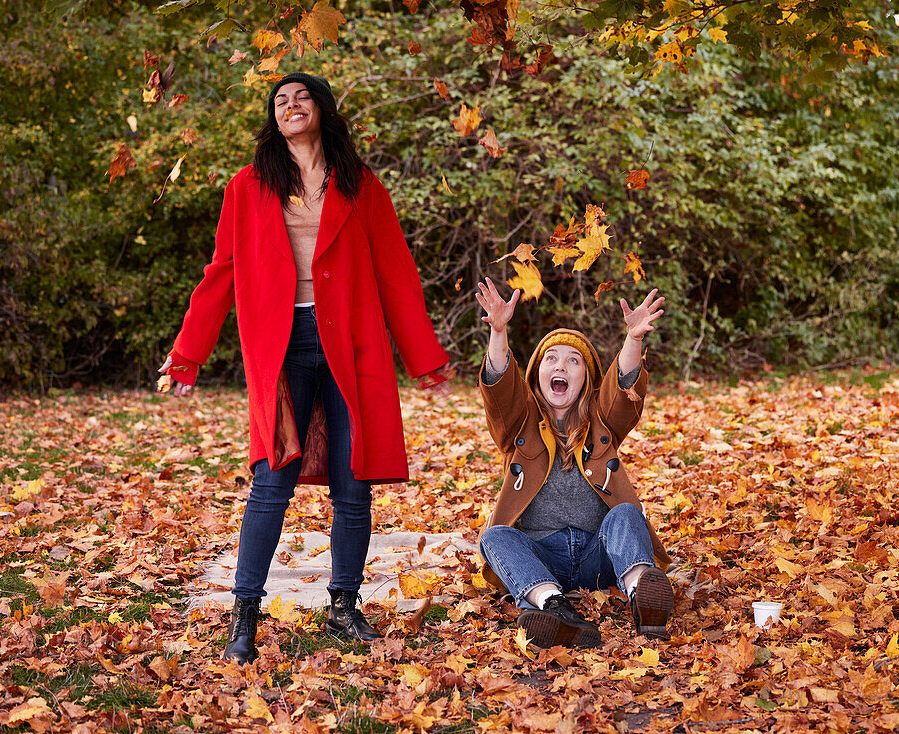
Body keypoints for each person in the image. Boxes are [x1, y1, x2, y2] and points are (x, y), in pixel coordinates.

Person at [158, 72, 451, 664]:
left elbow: (395, 272)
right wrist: (187, 355)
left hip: (352, 338)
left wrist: (424, 358)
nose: (290, 105)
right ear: (274, 116)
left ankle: (344, 604)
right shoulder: (248, 186)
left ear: (322, 108)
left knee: (353, 482)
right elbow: (222, 273)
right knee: (272, 480)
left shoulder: (360, 185)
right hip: (282, 343)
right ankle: (244, 613)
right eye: (280, 100)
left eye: (302, 97)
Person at [473, 278, 674, 648]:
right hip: (541, 556)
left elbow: (623, 391)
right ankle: (554, 606)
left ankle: (644, 596)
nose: (560, 366)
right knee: (495, 536)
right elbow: (500, 391)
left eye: (572, 361)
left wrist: (633, 340)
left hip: (598, 555)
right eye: (551, 359)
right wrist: (498, 333)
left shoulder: (602, 421)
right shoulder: (518, 422)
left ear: (585, 378)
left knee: (627, 514)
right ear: (537, 374)